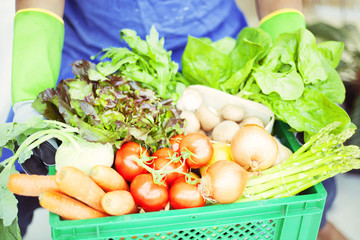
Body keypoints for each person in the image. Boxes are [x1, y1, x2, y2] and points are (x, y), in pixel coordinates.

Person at [3, 0, 342, 239]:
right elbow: (39, 8)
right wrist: (28, 98)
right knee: (15, 170)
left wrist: (294, 73)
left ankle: (321, 226)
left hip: (215, 59)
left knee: (315, 183)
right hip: (98, 70)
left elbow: (277, 5)